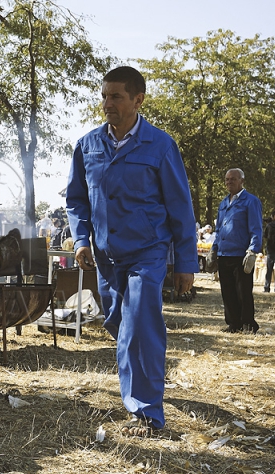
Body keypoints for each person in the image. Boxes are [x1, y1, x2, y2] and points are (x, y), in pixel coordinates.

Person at [66, 66, 197, 437]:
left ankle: (147, 413)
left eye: (116, 96)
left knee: (140, 324)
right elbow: (77, 200)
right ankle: (143, 382)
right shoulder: (88, 145)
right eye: (105, 95)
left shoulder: (160, 145)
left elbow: (180, 207)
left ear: (138, 99)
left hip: (148, 253)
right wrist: (80, 240)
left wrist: (185, 263)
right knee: (119, 325)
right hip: (107, 257)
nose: (107, 103)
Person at [210, 168, 263, 333]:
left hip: (241, 254)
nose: (229, 182)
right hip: (224, 253)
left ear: (242, 181)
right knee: (227, 291)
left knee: (243, 292)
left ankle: (248, 324)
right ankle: (233, 324)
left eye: (233, 179)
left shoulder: (250, 201)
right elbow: (218, 229)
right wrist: (213, 250)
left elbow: (256, 228)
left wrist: (253, 251)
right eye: (226, 179)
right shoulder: (223, 203)